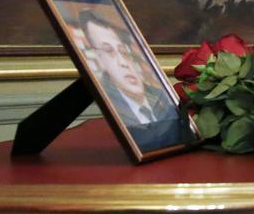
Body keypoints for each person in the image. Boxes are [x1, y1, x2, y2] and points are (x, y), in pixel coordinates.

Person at [80, 10, 188, 151]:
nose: (123, 62)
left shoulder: (162, 97)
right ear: (99, 59)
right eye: (109, 51)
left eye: (123, 51)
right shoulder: (112, 103)